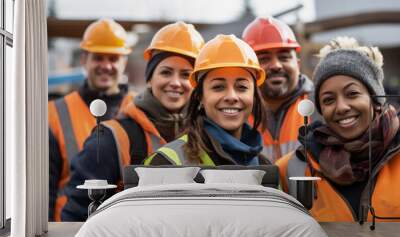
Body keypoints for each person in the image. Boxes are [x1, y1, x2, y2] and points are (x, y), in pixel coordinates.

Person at [60, 21, 205, 221]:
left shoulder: (208, 136)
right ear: (149, 78)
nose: (175, 82)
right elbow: (77, 215)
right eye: (166, 72)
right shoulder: (112, 139)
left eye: (186, 75)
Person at [276, 37, 400, 222]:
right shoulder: (291, 170)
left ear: (375, 101)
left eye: (352, 94)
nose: (341, 107)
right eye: (328, 100)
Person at [49, 18, 134, 221]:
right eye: (98, 58)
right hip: (70, 228)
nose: (106, 66)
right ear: (84, 60)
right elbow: (44, 189)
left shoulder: (139, 110)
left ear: (124, 62)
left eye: (113, 58)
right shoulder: (54, 113)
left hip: (125, 230)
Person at [145, 34, 269, 166]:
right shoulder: (166, 162)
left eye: (242, 87)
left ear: (254, 95)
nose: (231, 96)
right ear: (200, 96)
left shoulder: (265, 165)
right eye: (218, 87)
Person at [242, 17, 314, 163]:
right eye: (264, 59)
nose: (276, 65)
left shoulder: (318, 106)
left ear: (298, 64)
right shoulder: (237, 112)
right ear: (247, 69)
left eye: (284, 57)